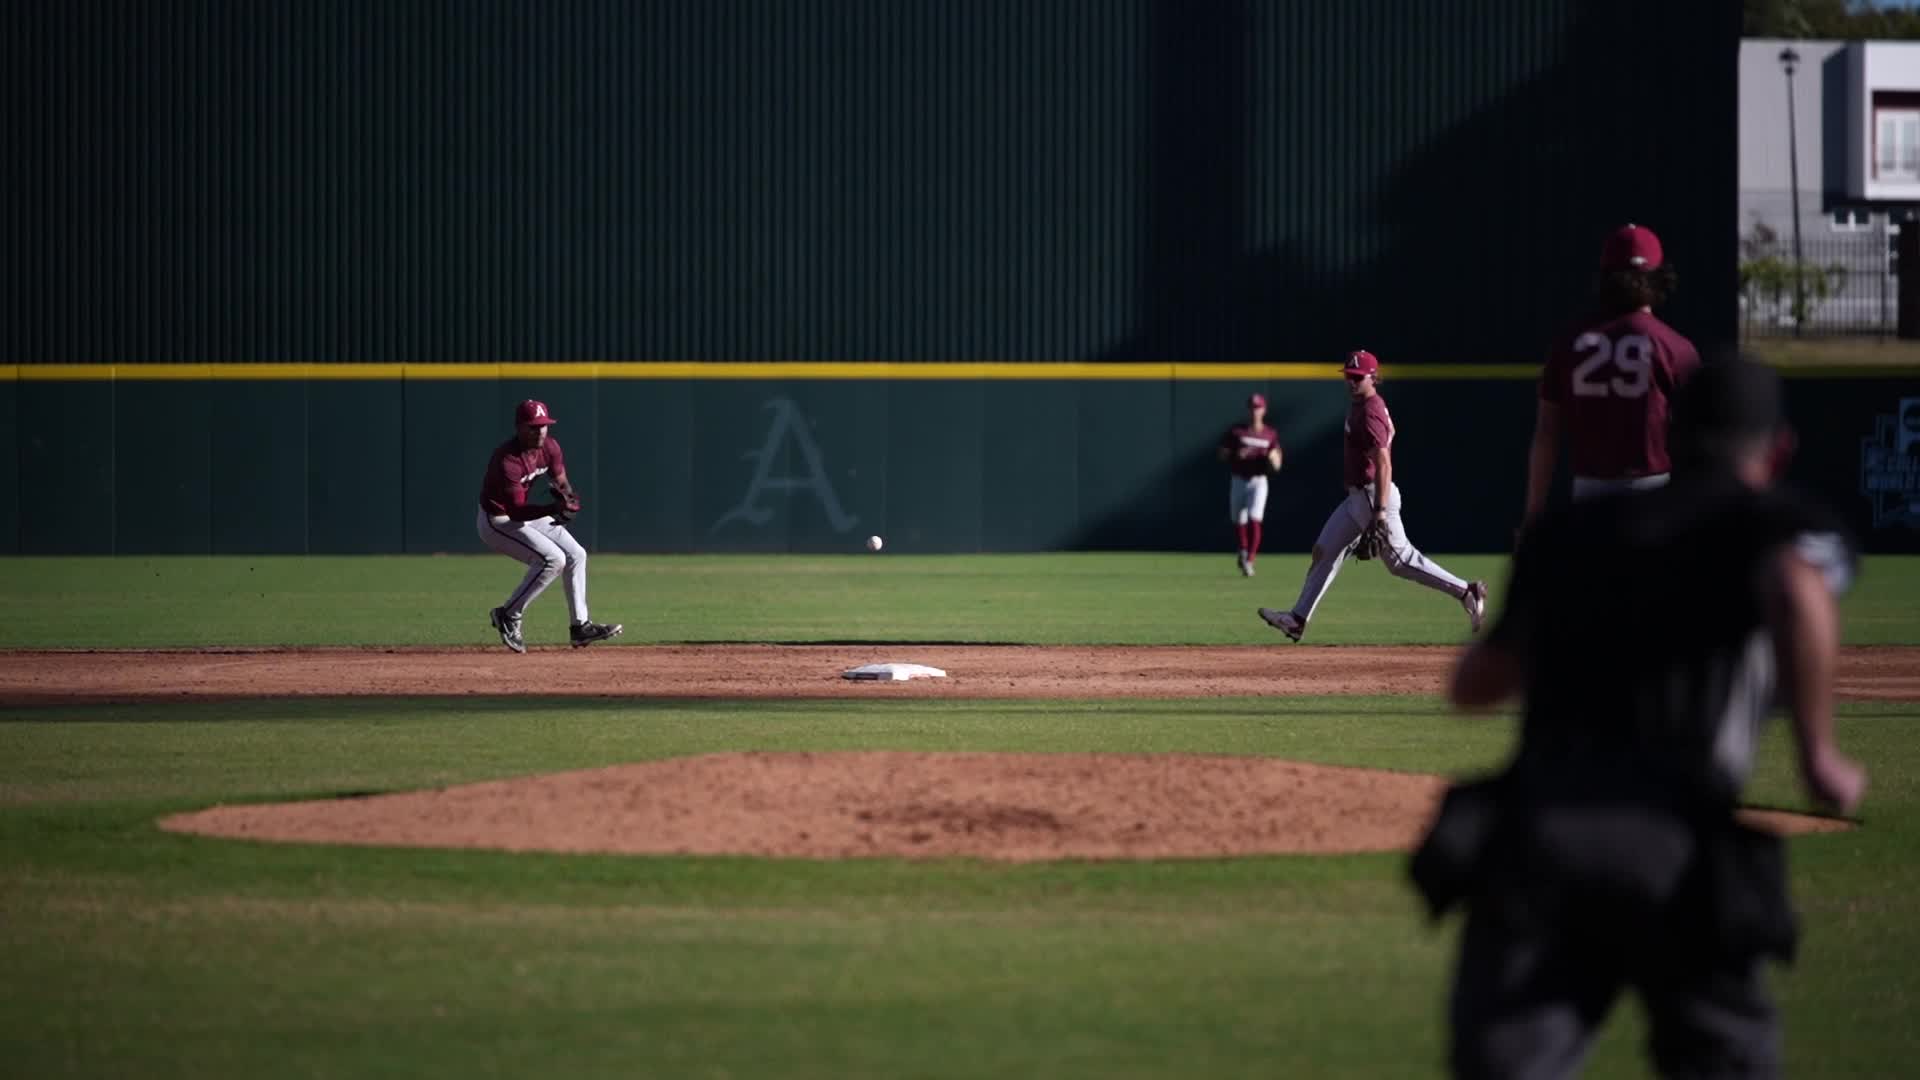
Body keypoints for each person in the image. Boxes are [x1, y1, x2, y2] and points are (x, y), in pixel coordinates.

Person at [1416, 356, 1867, 1079]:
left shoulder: (1568, 533)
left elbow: (1475, 687)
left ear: (1671, 434)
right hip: (1678, 844)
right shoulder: (1775, 522)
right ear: (1778, 449)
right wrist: (1819, 754)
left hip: (1543, 839)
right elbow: (1796, 585)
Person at [1257, 350, 1486, 642]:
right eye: (1348, 377)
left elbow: (1384, 462)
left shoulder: (1369, 410)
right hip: (1357, 498)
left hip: (1372, 496)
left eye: (1357, 377)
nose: (1351, 382)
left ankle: (1467, 591)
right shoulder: (1365, 405)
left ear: (1373, 377)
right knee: (1325, 551)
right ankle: (1297, 619)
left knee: (1401, 561)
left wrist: (1378, 512)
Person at [1523, 223, 1701, 529]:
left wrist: (1534, 516)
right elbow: (1701, 438)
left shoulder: (1570, 344)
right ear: (1658, 278)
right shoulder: (1676, 347)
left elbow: (1547, 436)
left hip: (1589, 495)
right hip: (1653, 494)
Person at [476, 399, 622, 653]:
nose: (540, 431)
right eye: (533, 426)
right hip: (497, 520)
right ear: (520, 427)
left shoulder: (550, 447)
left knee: (577, 554)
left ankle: (580, 627)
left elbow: (561, 480)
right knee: (552, 559)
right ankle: (509, 614)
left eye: (544, 425)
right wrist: (552, 509)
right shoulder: (507, 460)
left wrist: (568, 499)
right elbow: (516, 511)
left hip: (524, 515)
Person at [1217, 392, 1284, 576]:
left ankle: (1249, 560)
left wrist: (1274, 461)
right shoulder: (1238, 432)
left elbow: (1277, 458)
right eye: (1253, 408)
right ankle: (1243, 550)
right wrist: (1235, 454)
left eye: (1258, 407)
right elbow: (1222, 453)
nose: (1255, 411)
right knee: (1238, 520)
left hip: (1258, 481)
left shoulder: (1270, 434)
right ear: (1249, 410)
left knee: (1255, 519)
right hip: (1239, 478)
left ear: (1264, 410)